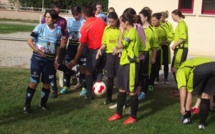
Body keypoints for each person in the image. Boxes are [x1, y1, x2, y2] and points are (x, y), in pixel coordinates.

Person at [23, 10, 62, 114]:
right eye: (46, 17)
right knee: (34, 82)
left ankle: (43, 104)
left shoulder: (58, 30)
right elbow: (29, 40)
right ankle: (27, 105)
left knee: (47, 83)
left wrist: (56, 58)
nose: (46, 18)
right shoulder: (40, 27)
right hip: (37, 59)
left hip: (49, 61)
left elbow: (58, 45)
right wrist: (38, 52)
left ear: (54, 19)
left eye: (49, 17)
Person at [67, 5, 106, 100]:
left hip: (93, 51)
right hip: (104, 50)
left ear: (83, 14)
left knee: (89, 71)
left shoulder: (85, 27)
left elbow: (82, 45)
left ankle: (89, 95)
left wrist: (75, 59)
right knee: (99, 70)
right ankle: (99, 89)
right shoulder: (102, 22)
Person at [108, 12, 141, 125]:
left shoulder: (132, 32)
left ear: (126, 22)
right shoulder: (128, 31)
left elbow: (121, 45)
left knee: (131, 90)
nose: (120, 24)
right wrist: (117, 50)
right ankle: (118, 113)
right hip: (123, 63)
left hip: (131, 65)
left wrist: (120, 34)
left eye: (121, 22)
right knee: (121, 89)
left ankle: (133, 116)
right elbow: (122, 48)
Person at [176, 57, 215, 130]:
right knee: (206, 95)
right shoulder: (192, 61)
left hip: (200, 69)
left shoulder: (180, 70)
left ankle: (186, 118)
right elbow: (202, 91)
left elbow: (183, 89)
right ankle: (202, 124)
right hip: (213, 66)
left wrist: (182, 107)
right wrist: (196, 105)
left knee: (189, 91)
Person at [41, 1, 69, 98]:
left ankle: (68, 71)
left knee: (58, 65)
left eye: (59, 12)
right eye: (56, 12)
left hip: (60, 48)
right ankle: (54, 90)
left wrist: (64, 41)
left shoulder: (63, 21)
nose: (57, 14)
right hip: (48, 48)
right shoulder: (44, 20)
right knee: (51, 68)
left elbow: (66, 33)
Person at [59, 6, 87, 95]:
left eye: (77, 14)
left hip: (81, 47)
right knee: (67, 64)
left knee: (82, 67)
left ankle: (84, 87)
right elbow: (66, 34)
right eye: (74, 15)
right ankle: (66, 86)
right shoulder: (70, 21)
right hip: (71, 46)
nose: (76, 16)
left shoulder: (84, 21)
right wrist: (64, 43)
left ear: (81, 13)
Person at [96, 12, 120, 105]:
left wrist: (119, 50)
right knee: (109, 78)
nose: (111, 24)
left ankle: (121, 98)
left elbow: (124, 44)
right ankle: (109, 98)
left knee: (119, 78)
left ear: (117, 20)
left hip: (119, 56)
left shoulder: (121, 29)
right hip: (109, 56)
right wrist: (100, 49)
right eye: (109, 22)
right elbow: (104, 43)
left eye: (112, 22)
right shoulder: (107, 29)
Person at [148, 13, 173, 91]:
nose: (153, 22)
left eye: (154, 20)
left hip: (158, 50)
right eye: (152, 20)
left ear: (159, 20)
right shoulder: (149, 28)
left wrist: (164, 42)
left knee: (156, 67)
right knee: (147, 68)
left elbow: (170, 36)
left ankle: (152, 82)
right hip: (148, 51)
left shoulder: (163, 28)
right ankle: (146, 82)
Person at [138, 9, 159, 97]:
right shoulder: (137, 28)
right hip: (137, 53)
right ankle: (138, 89)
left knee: (144, 73)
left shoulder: (152, 30)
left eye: (140, 17)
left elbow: (155, 46)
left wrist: (153, 57)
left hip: (146, 53)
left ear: (146, 18)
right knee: (137, 72)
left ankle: (144, 91)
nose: (139, 18)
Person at [171, 9, 189, 97]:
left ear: (177, 15)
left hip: (181, 49)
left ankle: (181, 88)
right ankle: (180, 87)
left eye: (173, 16)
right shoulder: (181, 24)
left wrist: (174, 45)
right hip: (180, 50)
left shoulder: (181, 24)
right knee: (175, 69)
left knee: (175, 69)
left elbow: (183, 37)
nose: (172, 18)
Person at [158, 10, 174, 84]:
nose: (160, 18)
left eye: (161, 16)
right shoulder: (157, 24)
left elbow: (172, 34)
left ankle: (166, 78)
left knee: (166, 62)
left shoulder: (168, 24)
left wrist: (168, 41)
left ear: (165, 17)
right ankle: (156, 78)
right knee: (157, 62)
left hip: (165, 46)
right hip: (158, 46)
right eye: (159, 16)